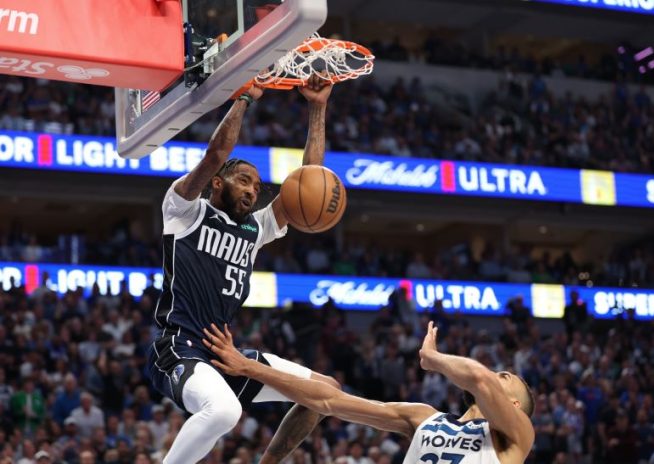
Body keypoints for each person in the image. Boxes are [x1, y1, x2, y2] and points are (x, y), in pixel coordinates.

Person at [145, 75, 338, 464]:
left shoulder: (256, 228)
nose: (253, 190)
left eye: (257, 185)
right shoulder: (184, 210)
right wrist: (244, 99)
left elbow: (309, 184)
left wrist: (317, 108)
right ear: (217, 184)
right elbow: (216, 153)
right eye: (244, 181)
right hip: (179, 347)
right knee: (225, 412)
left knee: (325, 392)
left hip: (225, 353)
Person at [203, 322, 535, 463]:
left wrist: (433, 359)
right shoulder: (423, 417)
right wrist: (250, 367)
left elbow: (479, 378)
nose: (496, 374)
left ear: (515, 405)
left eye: (505, 376)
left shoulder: (516, 435)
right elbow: (327, 401)